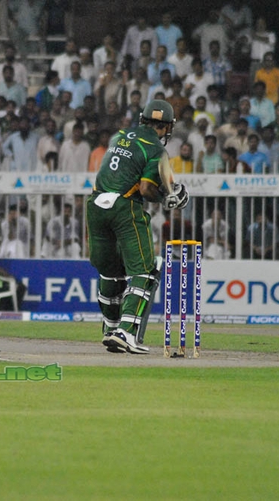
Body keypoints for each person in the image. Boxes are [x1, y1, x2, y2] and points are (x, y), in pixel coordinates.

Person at [87, 99, 188, 355]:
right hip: (124, 207)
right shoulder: (156, 149)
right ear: (165, 127)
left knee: (110, 274)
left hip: (95, 205)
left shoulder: (120, 137)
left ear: (143, 119)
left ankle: (110, 329)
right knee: (145, 271)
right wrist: (167, 197)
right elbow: (146, 189)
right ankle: (126, 332)